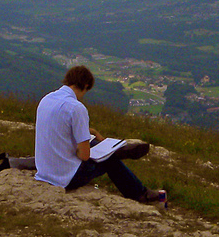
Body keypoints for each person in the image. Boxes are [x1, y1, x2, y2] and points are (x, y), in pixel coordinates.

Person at [30, 65, 166, 205]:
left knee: (94, 143)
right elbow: (84, 156)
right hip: (65, 177)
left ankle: (117, 151)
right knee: (109, 160)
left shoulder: (46, 99)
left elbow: (61, 126)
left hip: (45, 170)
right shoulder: (76, 108)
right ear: (86, 85)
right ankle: (141, 194)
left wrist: (92, 132)